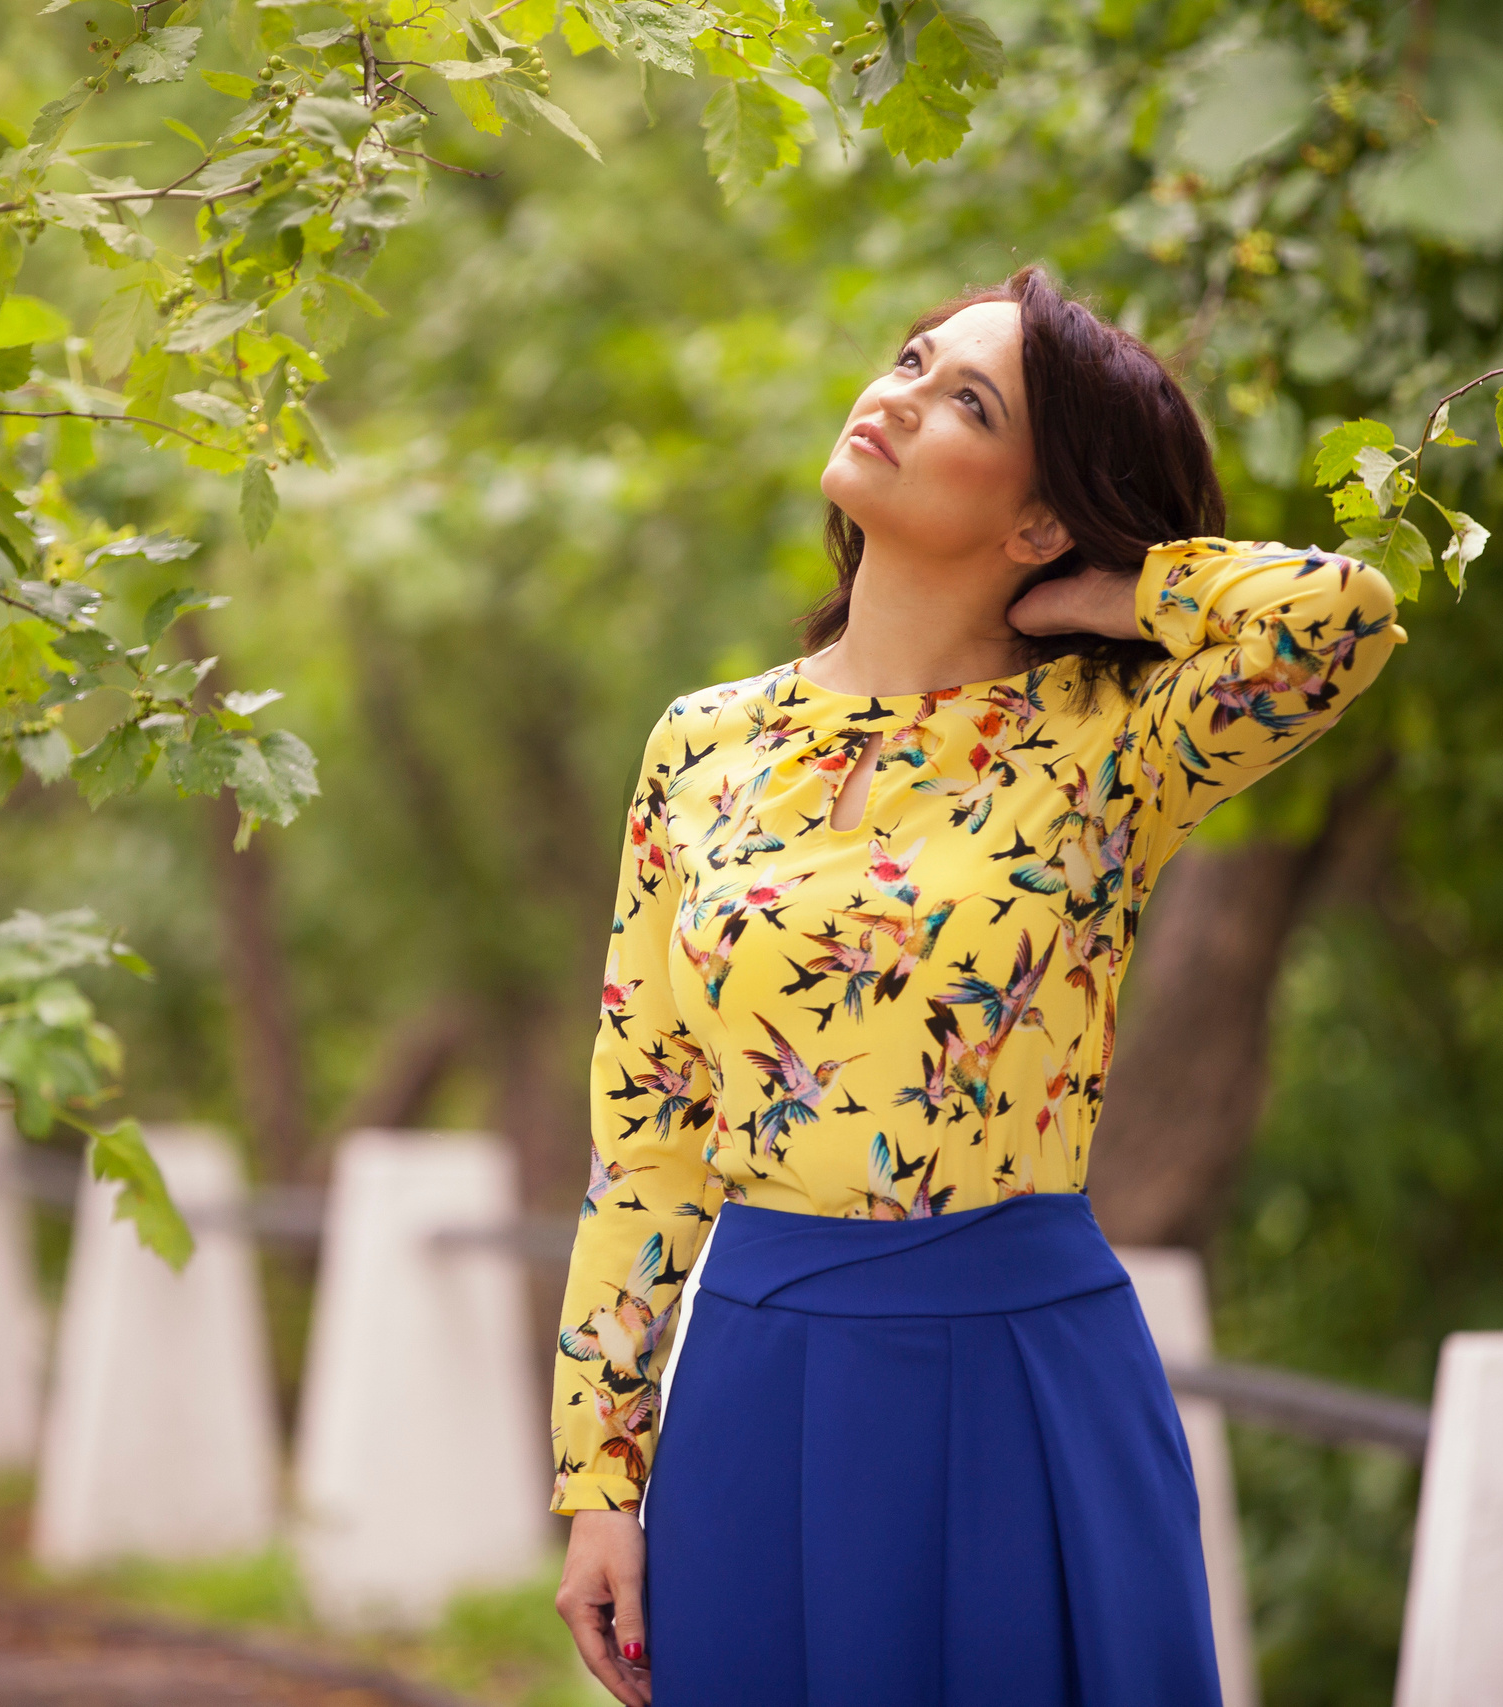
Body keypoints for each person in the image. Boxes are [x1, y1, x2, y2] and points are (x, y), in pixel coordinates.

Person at [548, 265, 1404, 1707]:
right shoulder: (703, 745)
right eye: (910, 358)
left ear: (1041, 511)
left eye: (967, 400)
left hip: (1024, 1378)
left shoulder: (1110, 744)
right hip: (760, 1375)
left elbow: (1344, 620)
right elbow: (648, 1138)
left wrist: (1122, 588)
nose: (897, 394)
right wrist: (600, 1479)